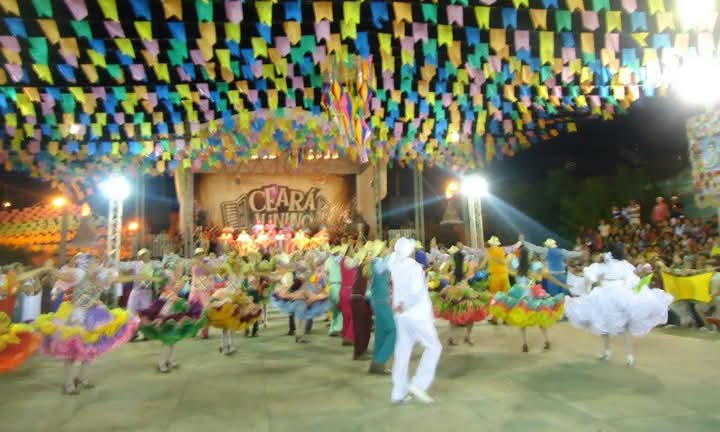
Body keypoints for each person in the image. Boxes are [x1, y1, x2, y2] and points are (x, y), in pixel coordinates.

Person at [32, 253, 141, 394]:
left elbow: (118, 279)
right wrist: (49, 269)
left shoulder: (101, 277)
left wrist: (138, 277)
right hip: (77, 315)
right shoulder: (79, 274)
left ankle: (83, 378)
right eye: (94, 262)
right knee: (72, 349)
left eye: (97, 261)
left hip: (95, 315)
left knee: (90, 348)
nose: (97, 264)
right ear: (86, 264)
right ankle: (68, 384)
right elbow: (61, 276)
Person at [564, 244, 673, 366]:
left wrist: (588, 291)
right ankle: (627, 355)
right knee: (620, 326)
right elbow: (632, 281)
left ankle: (609, 351)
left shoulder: (603, 264)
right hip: (619, 293)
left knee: (603, 322)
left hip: (604, 293)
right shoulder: (623, 265)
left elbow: (589, 277)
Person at [388, 238, 442, 404]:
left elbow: (390, 259)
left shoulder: (394, 264)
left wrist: (399, 306)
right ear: (411, 251)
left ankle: (398, 393)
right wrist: (405, 305)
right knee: (434, 347)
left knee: (402, 351)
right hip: (417, 314)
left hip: (401, 315)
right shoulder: (414, 268)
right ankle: (419, 384)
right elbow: (416, 293)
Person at [489, 248, 565, 352]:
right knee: (541, 317)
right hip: (534, 293)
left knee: (522, 320)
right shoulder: (535, 265)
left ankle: (524, 344)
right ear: (530, 255)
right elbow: (546, 275)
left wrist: (492, 258)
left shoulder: (516, 264)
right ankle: (546, 340)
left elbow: (503, 263)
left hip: (520, 294)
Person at [138, 260, 206, 372]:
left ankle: (171, 361)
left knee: (174, 340)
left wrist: (182, 300)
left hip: (175, 316)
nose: (174, 280)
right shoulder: (167, 289)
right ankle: (161, 364)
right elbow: (168, 302)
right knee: (167, 341)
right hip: (166, 317)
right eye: (177, 270)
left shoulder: (175, 285)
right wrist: (162, 316)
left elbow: (179, 292)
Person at [368, 249, 396, 375]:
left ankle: (376, 364)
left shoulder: (377, 263)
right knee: (393, 330)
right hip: (381, 301)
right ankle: (380, 360)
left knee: (381, 333)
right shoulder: (379, 263)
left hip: (378, 301)